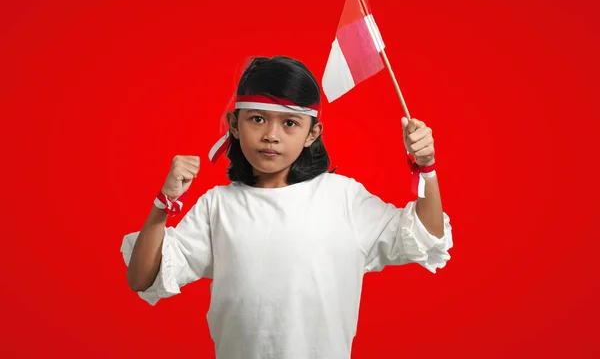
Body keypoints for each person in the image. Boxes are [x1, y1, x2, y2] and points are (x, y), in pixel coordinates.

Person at [120, 56, 453, 359]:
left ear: (312, 133)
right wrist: (163, 203)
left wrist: (427, 167)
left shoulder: (344, 199)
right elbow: (142, 277)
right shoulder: (217, 206)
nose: (271, 136)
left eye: (290, 123)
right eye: (258, 119)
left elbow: (427, 234)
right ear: (235, 125)